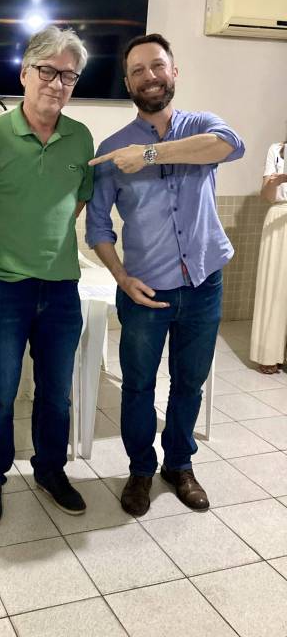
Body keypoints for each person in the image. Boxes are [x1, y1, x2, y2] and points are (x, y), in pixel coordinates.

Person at [86, 33, 244, 517]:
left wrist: (151, 154)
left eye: (157, 65)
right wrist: (121, 277)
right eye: (137, 70)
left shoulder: (203, 128)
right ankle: (140, 470)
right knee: (137, 387)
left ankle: (179, 465)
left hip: (203, 284)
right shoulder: (112, 150)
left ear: (174, 71)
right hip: (145, 290)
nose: (149, 76)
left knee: (189, 382)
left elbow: (230, 145)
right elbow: (97, 226)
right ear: (127, 82)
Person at [0, 26, 94, 527]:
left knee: (56, 392)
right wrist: (0, 248)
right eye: (47, 71)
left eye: (68, 76)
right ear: (24, 74)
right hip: (3, 288)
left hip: (61, 287)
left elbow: (78, 200)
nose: (57, 83)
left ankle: (51, 470)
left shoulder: (80, 138)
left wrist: (46, 243)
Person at [250, 142, 287, 374]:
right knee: (274, 286)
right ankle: (269, 352)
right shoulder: (277, 150)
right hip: (280, 214)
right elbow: (268, 196)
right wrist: (276, 182)